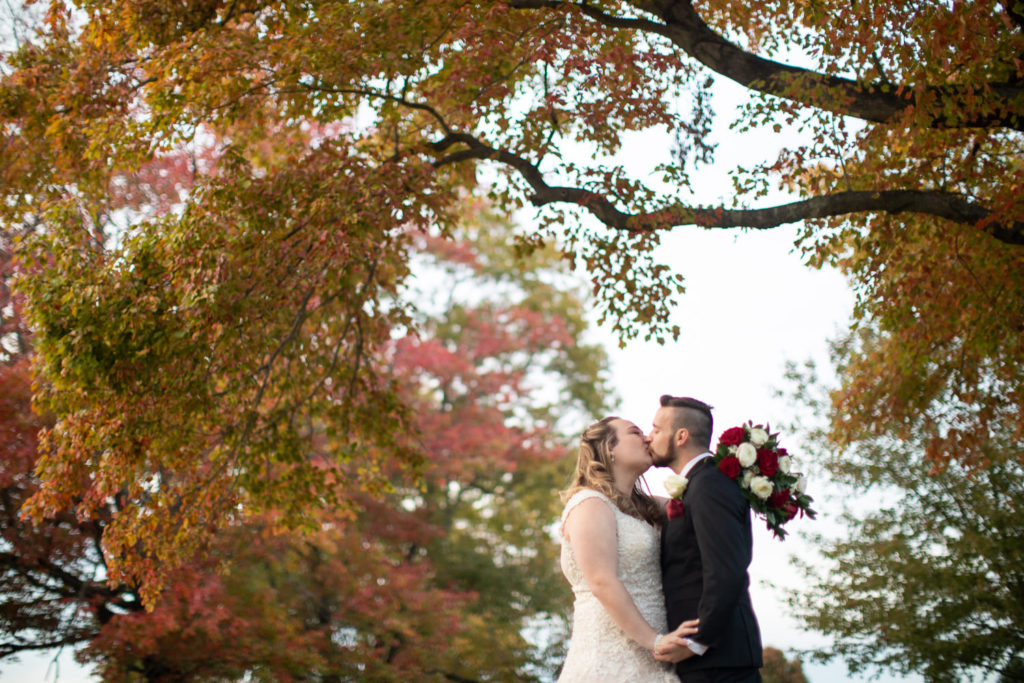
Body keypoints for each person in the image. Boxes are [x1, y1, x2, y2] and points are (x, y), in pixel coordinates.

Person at [558, 416, 699, 682]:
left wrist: (760, 485)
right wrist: (654, 641)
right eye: (635, 432)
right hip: (610, 658)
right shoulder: (589, 503)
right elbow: (601, 580)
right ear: (608, 447)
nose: (647, 438)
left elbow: (703, 504)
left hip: (659, 658)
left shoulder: (648, 507)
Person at [648, 395, 763, 683]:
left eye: (656, 430)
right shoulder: (698, 484)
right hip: (709, 663)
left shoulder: (709, 484)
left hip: (720, 661)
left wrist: (698, 642)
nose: (649, 437)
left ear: (681, 436)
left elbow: (726, 570)